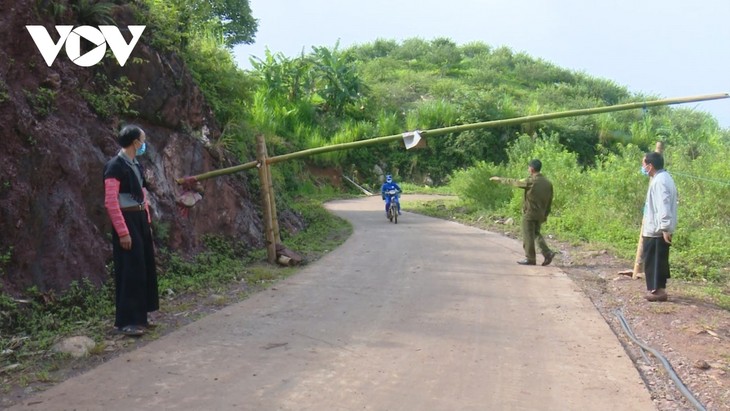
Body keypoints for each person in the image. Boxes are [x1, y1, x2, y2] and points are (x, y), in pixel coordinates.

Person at [103, 125, 159, 336]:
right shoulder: (114, 166)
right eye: (142, 140)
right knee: (130, 269)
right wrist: (123, 231)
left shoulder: (136, 165)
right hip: (126, 220)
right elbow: (110, 201)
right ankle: (127, 322)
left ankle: (141, 316)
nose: (144, 143)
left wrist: (147, 223)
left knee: (143, 267)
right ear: (135, 142)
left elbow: (143, 196)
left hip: (139, 219)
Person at [490, 159, 557, 266]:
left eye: (528, 167)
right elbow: (550, 200)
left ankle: (530, 258)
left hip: (530, 213)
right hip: (541, 213)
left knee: (528, 235)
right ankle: (547, 253)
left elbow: (515, 182)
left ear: (532, 169)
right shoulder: (548, 183)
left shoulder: (532, 181)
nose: (528, 169)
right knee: (535, 233)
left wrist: (499, 180)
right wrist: (546, 214)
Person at [640, 152, 678, 302]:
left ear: (650, 166)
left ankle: (657, 291)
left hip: (657, 230)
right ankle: (658, 289)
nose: (643, 168)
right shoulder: (663, 178)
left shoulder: (660, 181)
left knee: (654, 261)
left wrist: (665, 227)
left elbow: (664, 205)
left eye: (644, 165)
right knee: (658, 260)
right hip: (658, 227)